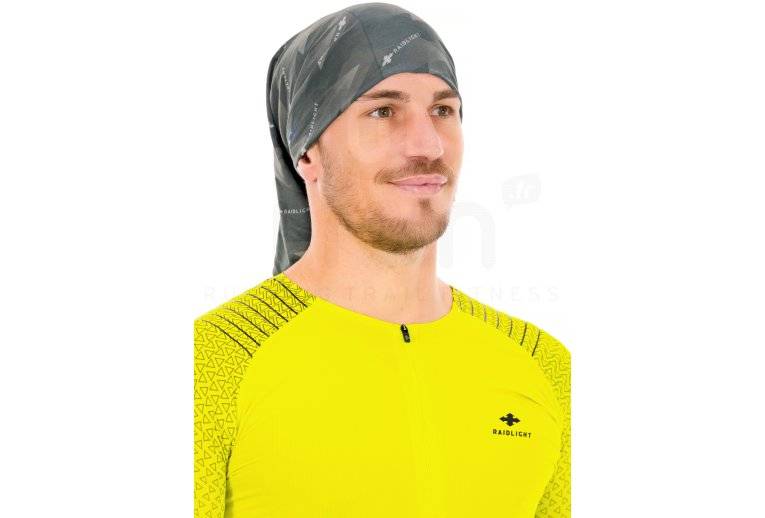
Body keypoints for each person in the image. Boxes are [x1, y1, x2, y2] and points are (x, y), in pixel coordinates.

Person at [194, 3, 571, 517]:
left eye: (443, 110)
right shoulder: (214, 362)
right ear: (307, 152)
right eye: (382, 111)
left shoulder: (542, 365)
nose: (428, 145)